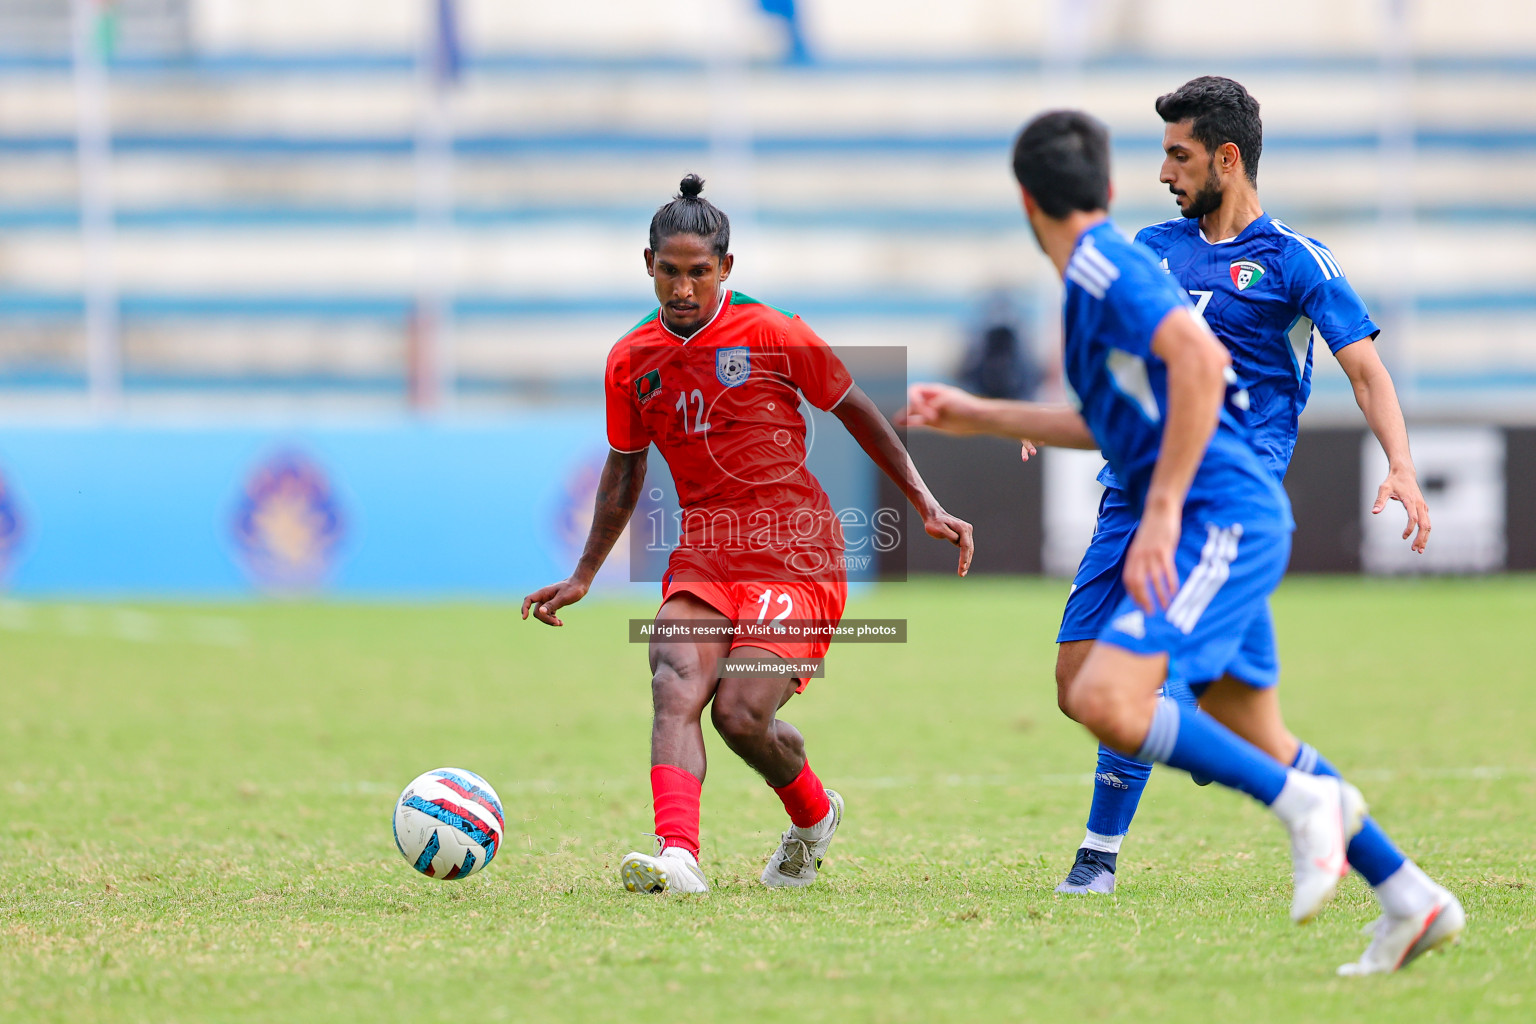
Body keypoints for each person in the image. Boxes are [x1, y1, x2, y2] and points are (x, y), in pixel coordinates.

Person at [903, 110, 1462, 975]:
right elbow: (1114, 415)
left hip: (1212, 507)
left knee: (1114, 700)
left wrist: (1397, 464)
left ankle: (1285, 809)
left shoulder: (1124, 262)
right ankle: (1410, 897)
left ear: (1025, 198)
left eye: (1180, 152)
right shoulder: (1136, 254)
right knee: (1180, 710)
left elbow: (1214, 368)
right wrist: (979, 416)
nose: (1167, 170)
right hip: (1161, 498)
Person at [523, 174, 974, 896]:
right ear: (647, 264)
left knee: (740, 715)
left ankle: (814, 815)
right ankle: (678, 855)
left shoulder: (773, 331)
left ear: (725, 269)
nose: (682, 288)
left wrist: (923, 501)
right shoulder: (629, 359)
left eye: (699, 272)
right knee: (674, 680)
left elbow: (857, 409)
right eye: (669, 271)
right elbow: (623, 472)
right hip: (704, 546)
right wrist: (583, 573)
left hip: (795, 550)